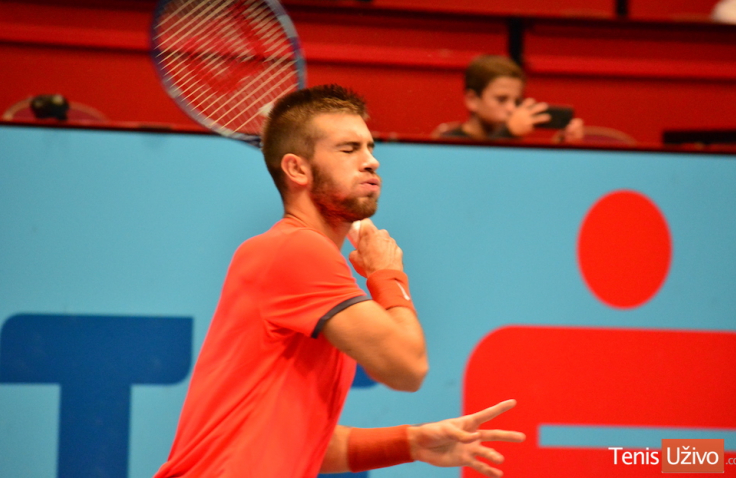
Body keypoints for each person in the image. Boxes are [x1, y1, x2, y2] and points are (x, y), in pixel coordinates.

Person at [153, 84, 525, 478]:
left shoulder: (300, 257)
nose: (371, 161)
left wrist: (411, 442)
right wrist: (386, 274)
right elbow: (407, 366)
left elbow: (304, 439)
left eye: (370, 147)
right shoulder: (295, 250)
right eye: (349, 149)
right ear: (297, 169)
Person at [433, 54, 584, 142]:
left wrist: (560, 147)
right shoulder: (449, 142)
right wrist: (508, 133)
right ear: (472, 100)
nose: (511, 108)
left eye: (516, 101)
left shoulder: (514, 142)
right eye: (501, 99)